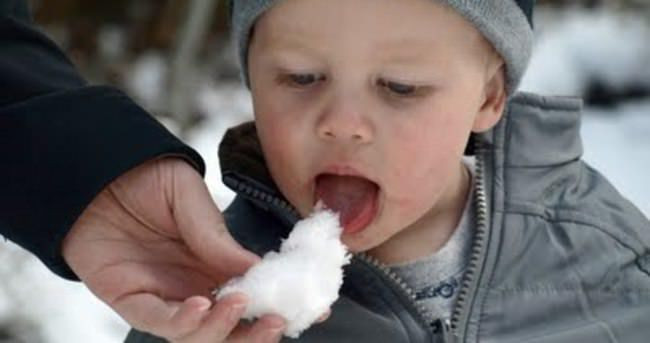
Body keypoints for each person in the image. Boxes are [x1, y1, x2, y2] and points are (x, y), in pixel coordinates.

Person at [123, 0, 650, 342]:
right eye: (301, 78)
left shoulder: (603, 249)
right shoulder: (215, 295)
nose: (343, 125)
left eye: (400, 87)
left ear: (489, 96)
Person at [1, 0, 289, 342]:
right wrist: (90, 171)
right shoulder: (197, 297)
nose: (345, 123)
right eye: (305, 77)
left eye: (374, 82)